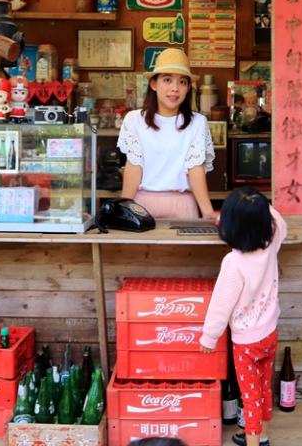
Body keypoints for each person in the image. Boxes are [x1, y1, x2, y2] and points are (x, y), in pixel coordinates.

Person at [200, 187, 288, 446]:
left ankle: (252, 442)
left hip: (246, 344)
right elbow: (278, 220)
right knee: (263, 389)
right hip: (269, 333)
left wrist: (209, 336)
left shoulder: (233, 262)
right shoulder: (271, 241)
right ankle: (263, 436)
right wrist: (259, 206)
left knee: (249, 398)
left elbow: (220, 304)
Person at [117, 48, 215, 219]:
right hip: (142, 206)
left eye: (182, 82)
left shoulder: (197, 122)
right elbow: (133, 167)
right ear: (154, 84)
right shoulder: (134, 120)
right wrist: (124, 209)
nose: (175, 88)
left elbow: (195, 169)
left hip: (183, 205)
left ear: (188, 88)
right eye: (167, 80)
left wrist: (208, 213)